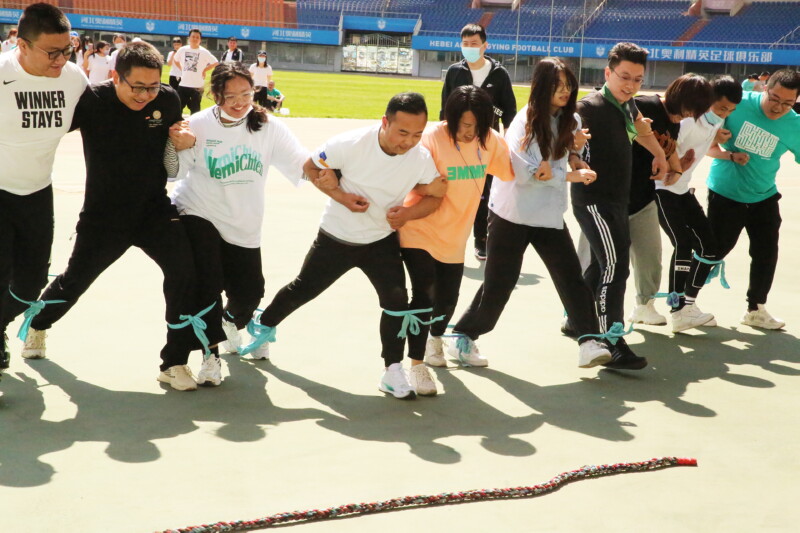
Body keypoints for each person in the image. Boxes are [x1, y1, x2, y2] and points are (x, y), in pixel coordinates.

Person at [23, 41, 212, 391]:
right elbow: (44, 130)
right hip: (104, 216)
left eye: (152, 86)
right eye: (137, 87)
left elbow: (176, 143)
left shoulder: (168, 100)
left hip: (153, 210)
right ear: (115, 77)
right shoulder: (92, 101)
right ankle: (38, 324)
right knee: (74, 281)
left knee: (185, 272)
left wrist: (183, 140)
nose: (145, 96)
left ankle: (174, 362)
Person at [240, 92, 446, 400]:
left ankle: (392, 370)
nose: (409, 141)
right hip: (336, 237)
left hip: (380, 241)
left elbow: (435, 197)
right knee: (302, 289)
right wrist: (341, 197)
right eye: (402, 132)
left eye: (417, 134)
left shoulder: (421, 158)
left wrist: (408, 213)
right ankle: (263, 326)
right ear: (385, 122)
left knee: (397, 302)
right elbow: (310, 166)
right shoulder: (350, 144)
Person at [449, 58, 612, 375]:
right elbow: (526, 174)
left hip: (548, 214)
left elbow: (566, 153)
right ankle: (463, 335)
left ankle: (589, 341)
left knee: (571, 277)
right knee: (499, 284)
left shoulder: (571, 120)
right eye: (557, 86)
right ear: (541, 87)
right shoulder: (524, 122)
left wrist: (576, 158)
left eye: (568, 85)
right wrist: (570, 175)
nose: (564, 92)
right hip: (512, 213)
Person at [168, 62, 309, 386]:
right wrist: (178, 145)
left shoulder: (267, 127)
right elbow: (174, 173)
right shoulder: (198, 124)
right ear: (216, 94)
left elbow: (303, 163)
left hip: (244, 222)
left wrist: (339, 168)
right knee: (207, 286)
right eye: (230, 96)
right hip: (198, 211)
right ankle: (210, 357)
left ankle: (230, 322)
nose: (239, 102)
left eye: (245, 94)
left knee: (250, 293)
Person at [397, 85, 513, 395]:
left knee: (448, 298)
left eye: (476, 125)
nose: (469, 131)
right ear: (451, 118)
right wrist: (427, 189)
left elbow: (515, 171)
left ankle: (435, 340)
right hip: (419, 228)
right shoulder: (432, 138)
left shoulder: (489, 141)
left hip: (455, 236)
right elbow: (403, 176)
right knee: (424, 295)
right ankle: (416, 366)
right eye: (463, 124)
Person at [0, 2, 87, 377]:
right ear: (21, 44)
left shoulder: (73, 79)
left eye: (68, 49)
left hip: (37, 192)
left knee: (31, 285)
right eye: (52, 52)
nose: (61, 60)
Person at [571, 42, 668, 370]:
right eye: (624, 76)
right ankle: (612, 341)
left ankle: (576, 319)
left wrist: (659, 153)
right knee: (616, 267)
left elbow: (640, 128)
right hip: (594, 201)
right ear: (608, 73)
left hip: (617, 200)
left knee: (601, 265)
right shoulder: (588, 107)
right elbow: (566, 141)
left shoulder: (627, 104)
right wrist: (574, 155)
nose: (631, 85)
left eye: (638, 79)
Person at [706, 68, 800, 330]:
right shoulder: (738, 103)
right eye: (774, 99)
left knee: (766, 253)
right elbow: (702, 133)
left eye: (788, 103)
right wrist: (716, 139)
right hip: (726, 192)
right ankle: (683, 302)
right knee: (714, 250)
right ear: (765, 88)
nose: (778, 107)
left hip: (764, 195)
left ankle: (756, 309)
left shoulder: (794, 125)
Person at [626, 74, 715, 332]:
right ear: (677, 96)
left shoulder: (674, 123)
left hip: (644, 198)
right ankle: (575, 313)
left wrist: (677, 168)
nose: (687, 117)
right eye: (688, 110)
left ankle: (644, 306)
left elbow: (670, 156)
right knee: (604, 261)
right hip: (612, 197)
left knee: (650, 259)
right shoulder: (643, 105)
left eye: (694, 114)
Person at [654, 75, 743, 331]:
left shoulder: (716, 122)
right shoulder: (687, 122)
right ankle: (677, 309)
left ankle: (689, 305)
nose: (724, 114)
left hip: (683, 190)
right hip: (661, 190)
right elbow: (663, 150)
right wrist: (676, 167)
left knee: (710, 247)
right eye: (721, 108)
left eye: (730, 110)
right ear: (708, 100)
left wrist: (729, 155)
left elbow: (708, 148)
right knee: (683, 244)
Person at [441, 23, 516, 261]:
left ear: (485, 45)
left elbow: (509, 111)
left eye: (474, 43)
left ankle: (481, 239)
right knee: (454, 191)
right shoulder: (454, 72)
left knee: (484, 193)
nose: (469, 48)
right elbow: (445, 109)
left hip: (486, 144)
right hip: (457, 144)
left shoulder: (499, 74)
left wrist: (508, 141)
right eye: (465, 44)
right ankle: (450, 237)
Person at [173, 28, 218, 115]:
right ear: (189, 38)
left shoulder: (204, 52)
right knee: (178, 107)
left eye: (197, 37)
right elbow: (175, 59)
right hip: (184, 84)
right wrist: (181, 68)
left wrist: (204, 70)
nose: (195, 39)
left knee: (195, 109)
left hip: (197, 86)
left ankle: (193, 123)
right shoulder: (182, 49)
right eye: (193, 36)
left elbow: (215, 62)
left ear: (200, 40)